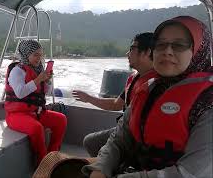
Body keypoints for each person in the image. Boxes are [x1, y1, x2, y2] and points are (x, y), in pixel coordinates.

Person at [82, 15, 212, 178]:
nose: (167, 51)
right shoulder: (150, 88)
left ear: (199, 50)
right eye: (161, 44)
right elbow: (119, 139)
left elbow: (191, 173)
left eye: (179, 45)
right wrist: (100, 168)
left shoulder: (208, 102)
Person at [74, 32, 156, 157]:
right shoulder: (134, 79)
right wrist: (88, 98)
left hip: (141, 139)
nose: (127, 54)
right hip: (126, 130)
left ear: (147, 53)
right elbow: (116, 104)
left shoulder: (158, 84)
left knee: (92, 143)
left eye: (132, 49)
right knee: (90, 142)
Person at [4, 39, 67, 164]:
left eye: (40, 55)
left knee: (61, 119)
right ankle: (42, 162)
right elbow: (20, 93)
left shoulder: (38, 70)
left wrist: (47, 80)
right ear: (26, 55)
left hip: (36, 113)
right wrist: (38, 79)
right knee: (36, 128)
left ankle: (52, 154)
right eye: (35, 55)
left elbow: (47, 91)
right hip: (16, 115)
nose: (39, 58)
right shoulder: (16, 71)